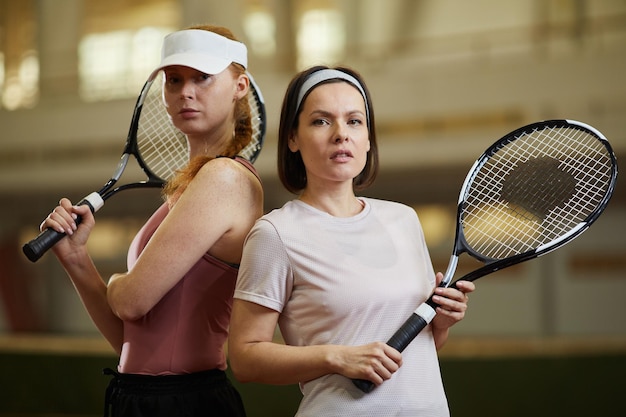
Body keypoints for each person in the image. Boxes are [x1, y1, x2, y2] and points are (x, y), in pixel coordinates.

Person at [39, 25, 263, 417]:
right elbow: (130, 339)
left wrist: (117, 284)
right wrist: (76, 258)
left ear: (240, 85)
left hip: (187, 404)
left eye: (203, 77)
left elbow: (130, 301)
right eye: (174, 80)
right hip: (144, 396)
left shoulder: (224, 178)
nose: (185, 92)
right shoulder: (189, 189)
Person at [228, 65, 475, 416]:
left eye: (355, 121)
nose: (341, 134)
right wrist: (337, 356)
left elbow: (420, 349)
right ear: (292, 138)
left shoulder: (403, 220)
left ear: (369, 138)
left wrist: (442, 324)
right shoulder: (276, 234)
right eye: (321, 121)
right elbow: (245, 358)